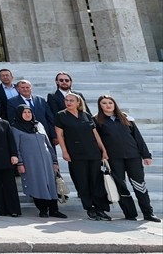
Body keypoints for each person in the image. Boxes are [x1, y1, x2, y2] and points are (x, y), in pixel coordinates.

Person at [94, 95, 158, 222]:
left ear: (114, 104)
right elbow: (97, 141)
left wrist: (146, 155)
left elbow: (137, 137)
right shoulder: (97, 120)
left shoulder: (125, 117)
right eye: (104, 103)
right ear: (100, 105)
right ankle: (130, 214)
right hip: (114, 158)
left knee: (140, 185)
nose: (108, 105)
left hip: (133, 156)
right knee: (121, 186)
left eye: (110, 102)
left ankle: (148, 213)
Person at [55, 92, 112, 221]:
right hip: (76, 154)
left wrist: (103, 150)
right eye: (66, 100)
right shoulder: (61, 115)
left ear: (78, 102)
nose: (68, 102)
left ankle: (100, 208)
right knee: (82, 181)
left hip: (93, 152)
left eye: (71, 100)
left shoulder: (86, 115)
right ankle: (89, 207)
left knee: (96, 181)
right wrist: (64, 151)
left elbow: (95, 134)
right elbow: (60, 135)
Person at [10, 104, 65, 219]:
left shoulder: (38, 125)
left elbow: (48, 144)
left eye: (29, 112)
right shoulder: (15, 128)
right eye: (24, 112)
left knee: (51, 184)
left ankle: (54, 210)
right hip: (30, 162)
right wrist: (20, 163)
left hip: (46, 160)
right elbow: (16, 147)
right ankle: (43, 209)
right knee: (37, 184)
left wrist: (54, 161)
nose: (27, 114)